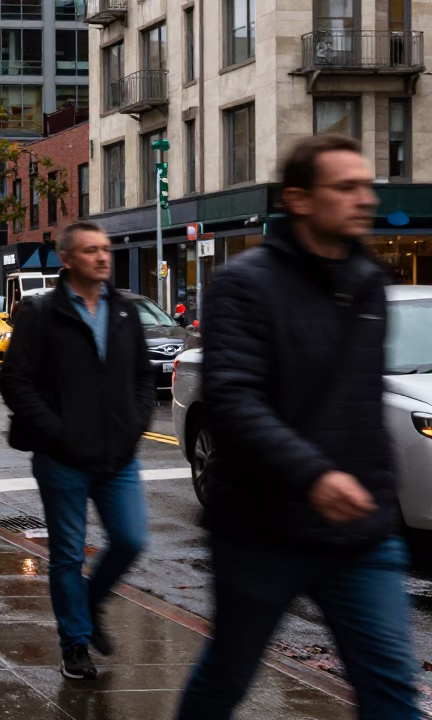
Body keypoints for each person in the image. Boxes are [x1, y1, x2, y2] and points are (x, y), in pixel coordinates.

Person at [176, 137, 418, 718]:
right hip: (263, 529)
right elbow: (233, 400)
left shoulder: (369, 283)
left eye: (366, 185)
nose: (365, 199)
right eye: (346, 187)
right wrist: (315, 478)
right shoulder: (245, 284)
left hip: (360, 531)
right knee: (228, 676)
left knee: (392, 693)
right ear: (299, 199)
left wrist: (379, 496)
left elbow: (361, 404)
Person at [0, 220, 154, 681]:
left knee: (131, 539)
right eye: (91, 251)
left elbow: (143, 377)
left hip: (117, 455)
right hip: (61, 458)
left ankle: (89, 605)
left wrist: (135, 426)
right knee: (68, 554)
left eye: (105, 249)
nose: (103, 257)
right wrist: (56, 432)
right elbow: (14, 381)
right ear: (67, 259)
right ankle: (75, 644)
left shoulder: (123, 311)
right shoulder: (41, 313)